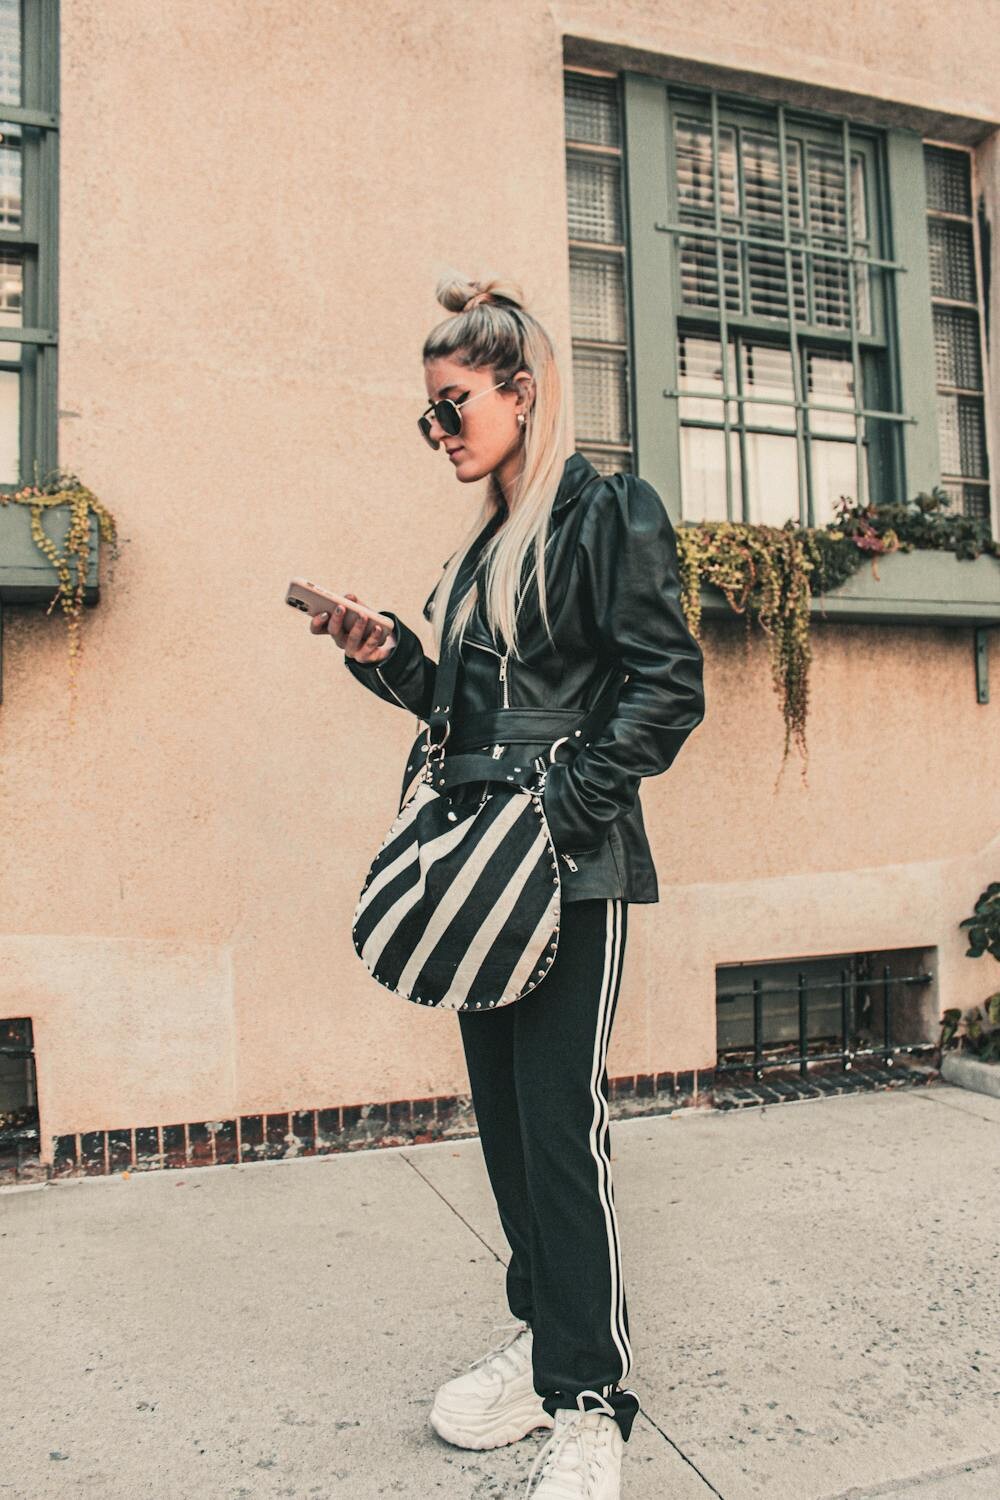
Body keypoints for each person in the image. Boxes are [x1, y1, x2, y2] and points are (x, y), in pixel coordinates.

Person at [310, 274, 706, 1499]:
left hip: (564, 867)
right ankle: (545, 1349)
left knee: (558, 1130)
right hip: (476, 862)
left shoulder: (605, 511)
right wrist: (392, 656)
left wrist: (558, 814)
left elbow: (667, 688)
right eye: (427, 414)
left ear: (521, 392)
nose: (439, 431)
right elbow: (470, 713)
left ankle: (590, 1400)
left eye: (455, 406)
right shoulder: (486, 542)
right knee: (507, 1125)